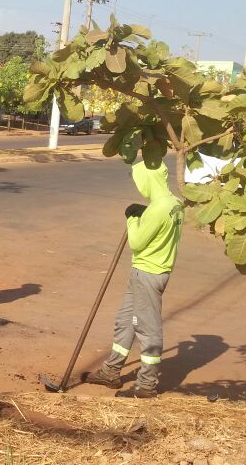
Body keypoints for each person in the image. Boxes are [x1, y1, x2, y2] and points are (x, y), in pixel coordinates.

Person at [84, 162, 184, 398]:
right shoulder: (174, 202)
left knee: (147, 329)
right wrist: (143, 214)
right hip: (146, 271)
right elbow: (158, 226)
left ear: (148, 179)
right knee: (126, 321)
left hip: (149, 274)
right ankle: (111, 370)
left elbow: (136, 242)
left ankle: (146, 385)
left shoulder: (158, 208)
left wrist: (132, 219)